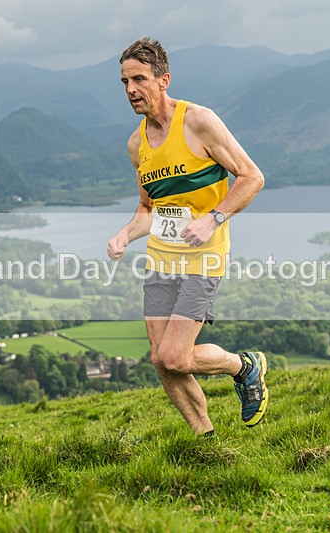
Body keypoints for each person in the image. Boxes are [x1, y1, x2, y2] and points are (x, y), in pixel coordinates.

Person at [106, 37, 268, 436]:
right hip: (161, 258)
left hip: (203, 257)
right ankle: (205, 437)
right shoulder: (136, 144)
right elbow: (148, 208)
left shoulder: (198, 121)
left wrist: (213, 219)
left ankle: (243, 366)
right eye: (124, 82)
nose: (130, 90)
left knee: (176, 356)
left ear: (164, 80)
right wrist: (124, 234)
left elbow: (251, 177)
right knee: (160, 359)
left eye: (139, 79)